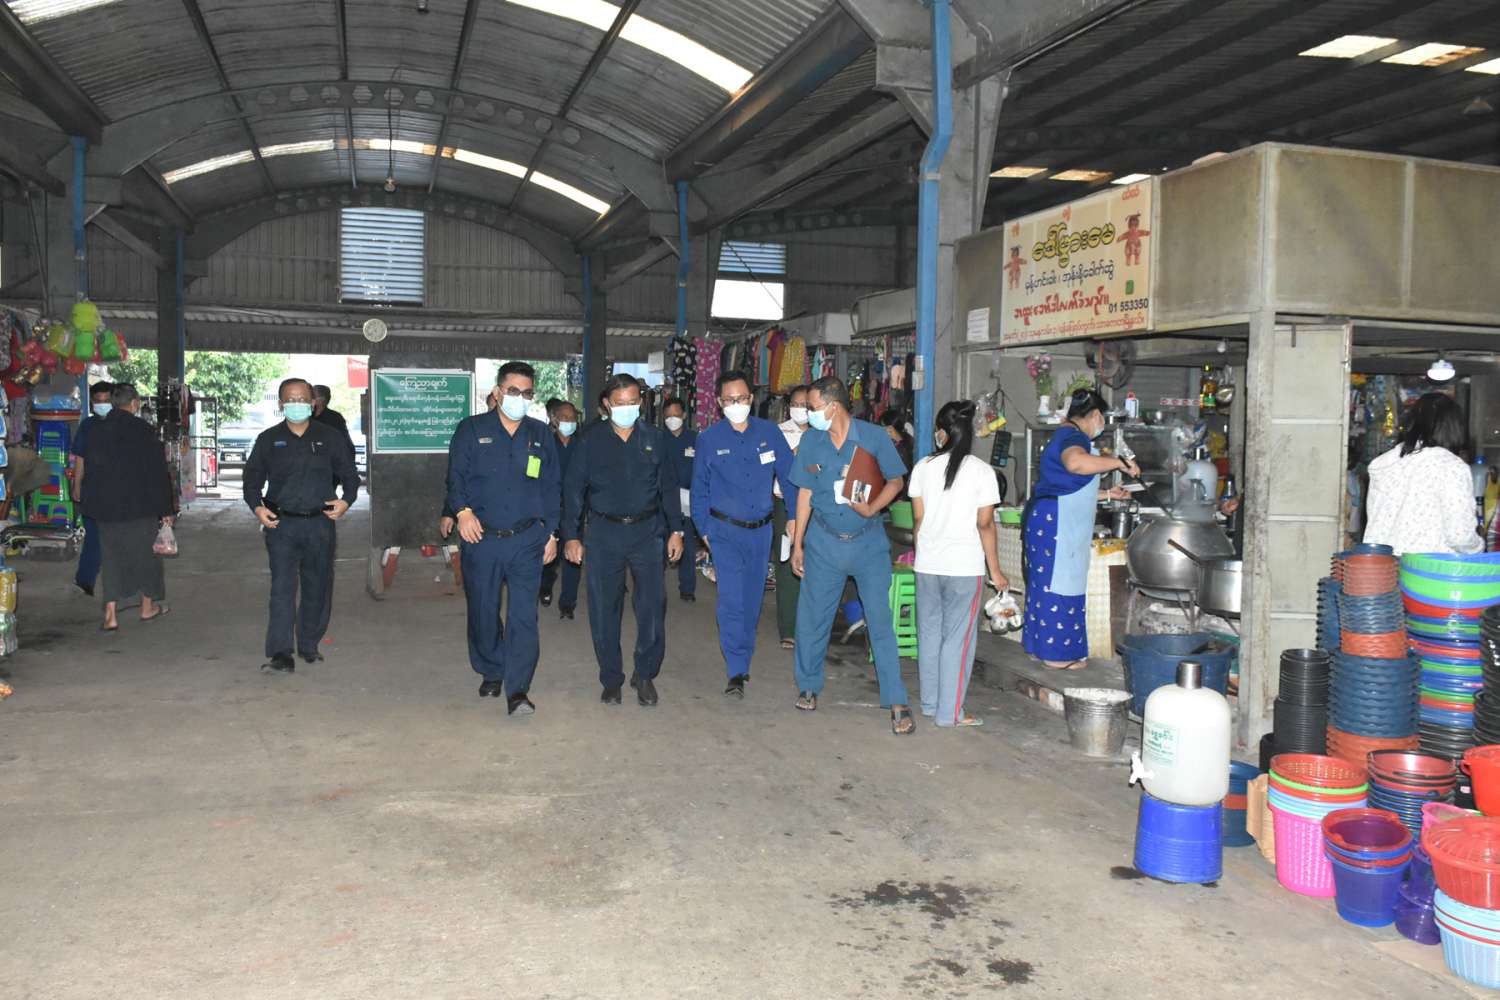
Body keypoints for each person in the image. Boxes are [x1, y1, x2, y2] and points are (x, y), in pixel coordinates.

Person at [788, 376, 913, 733]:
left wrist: (873, 508)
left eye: (813, 407)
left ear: (833, 406)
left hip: (867, 543)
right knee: (812, 620)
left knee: (880, 621)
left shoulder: (873, 437)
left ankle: (896, 699)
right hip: (824, 543)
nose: (808, 414)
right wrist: (798, 543)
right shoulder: (811, 441)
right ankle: (808, 686)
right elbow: (805, 494)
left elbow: (896, 481)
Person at [562, 374, 684, 707]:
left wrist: (676, 530)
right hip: (604, 533)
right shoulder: (589, 441)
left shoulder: (655, 438)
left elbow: (668, 487)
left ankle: (644, 674)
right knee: (604, 608)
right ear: (607, 404)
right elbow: (573, 490)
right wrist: (571, 536)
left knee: (652, 607)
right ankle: (611, 678)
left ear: (641, 402)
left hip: (648, 532)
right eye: (619, 403)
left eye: (632, 402)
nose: (627, 408)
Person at [447, 363, 560, 714]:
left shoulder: (540, 434)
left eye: (527, 393)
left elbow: (552, 487)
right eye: (513, 391)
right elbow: (455, 477)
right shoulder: (471, 430)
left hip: (528, 539)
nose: (519, 398)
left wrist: (552, 532)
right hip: (482, 539)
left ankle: (518, 688)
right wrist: (462, 511)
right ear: (497, 392)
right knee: (483, 611)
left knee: (523, 616)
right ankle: (491, 668)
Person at [244, 378, 359, 673]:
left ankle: (309, 643)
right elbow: (252, 479)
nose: (297, 404)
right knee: (281, 588)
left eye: (302, 399)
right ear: (281, 404)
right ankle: (281, 653)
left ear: (313, 403)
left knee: (317, 585)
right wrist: (257, 507)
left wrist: (346, 500)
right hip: (281, 525)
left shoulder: (330, 437)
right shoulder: (269, 439)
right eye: (290, 399)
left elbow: (350, 475)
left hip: (319, 524)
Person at [690, 371, 794, 698]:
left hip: (761, 532)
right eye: (730, 399)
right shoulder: (709, 439)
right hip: (724, 532)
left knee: (751, 600)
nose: (737, 404)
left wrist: (794, 517)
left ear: (751, 398)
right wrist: (704, 530)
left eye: (743, 398)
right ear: (720, 402)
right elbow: (699, 489)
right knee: (732, 601)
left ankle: (743, 657)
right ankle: (736, 669)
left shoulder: (769, 433)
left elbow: (789, 477)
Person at [1022, 389, 1137, 671]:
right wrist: (1120, 462)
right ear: (1095, 415)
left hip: (1051, 514)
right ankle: (1057, 655)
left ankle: (1042, 648)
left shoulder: (1063, 435)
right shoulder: (1074, 437)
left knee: (1046, 583)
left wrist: (1107, 494)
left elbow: (1068, 486)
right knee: (1061, 583)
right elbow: (1076, 464)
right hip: (1057, 522)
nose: (1101, 426)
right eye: (1102, 420)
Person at [909, 401, 1008, 728]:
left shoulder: (922, 467)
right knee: (957, 640)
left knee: (929, 634)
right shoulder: (982, 472)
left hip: (928, 564)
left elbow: (918, 521)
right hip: (964, 568)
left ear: (941, 433)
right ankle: (949, 713)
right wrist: (996, 572)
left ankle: (930, 703)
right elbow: (985, 525)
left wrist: (924, 552)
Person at [81, 384, 175, 631]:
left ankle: (110, 616)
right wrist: (166, 509)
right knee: (146, 556)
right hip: (140, 506)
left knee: (111, 558)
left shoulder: (95, 430)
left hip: (105, 508)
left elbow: (90, 469)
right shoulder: (143, 430)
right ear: (134, 403)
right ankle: (147, 608)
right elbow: (157, 473)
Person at [1363, 392, 1483, 557]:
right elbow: (1460, 536)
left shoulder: (1383, 464)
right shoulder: (1451, 466)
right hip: (1427, 569)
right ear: (1454, 429)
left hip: (1383, 566)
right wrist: (1478, 548)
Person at [772, 385, 810, 650]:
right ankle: (788, 627)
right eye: (795, 404)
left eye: (805, 404)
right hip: (785, 503)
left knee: (815, 564)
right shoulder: (779, 432)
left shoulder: (824, 431)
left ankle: (810, 626)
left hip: (817, 505)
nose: (800, 409)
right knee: (786, 563)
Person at [538, 398, 582, 619]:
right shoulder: (544, 444)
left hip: (575, 511)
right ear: (554, 420)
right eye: (565, 418)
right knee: (549, 556)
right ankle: (545, 586)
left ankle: (568, 603)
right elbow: (533, 474)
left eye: (572, 418)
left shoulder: (582, 446)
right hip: (550, 510)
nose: (569, 421)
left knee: (573, 556)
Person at [68, 380, 113, 597]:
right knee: (93, 536)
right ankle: (85, 580)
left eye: (106, 400)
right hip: (92, 490)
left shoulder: (123, 425)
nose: (102, 404)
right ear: (92, 403)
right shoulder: (87, 425)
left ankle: (121, 584)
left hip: (117, 491)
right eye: (98, 401)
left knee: (117, 538)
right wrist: (76, 485)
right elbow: (80, 458)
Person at [662, 396, 699, 603]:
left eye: (676, 415)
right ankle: (655, 587)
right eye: (668, 416)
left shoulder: (695, 439)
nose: (672, 419)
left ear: (684, 415)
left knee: (687, 545)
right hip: (662, 501)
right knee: (659, 544)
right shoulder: (658, 439)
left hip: (687, 500)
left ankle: (687, 588)